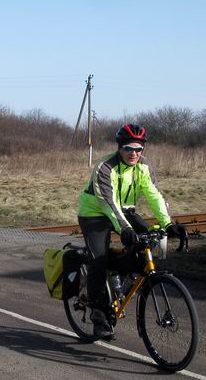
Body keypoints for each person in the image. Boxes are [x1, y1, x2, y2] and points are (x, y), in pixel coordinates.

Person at [77, 124, 185, 339]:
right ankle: (98, 315)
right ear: (119, 147)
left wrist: (168, 224)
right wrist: (125, 228)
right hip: (95, 214)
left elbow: (154, 194)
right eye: (128, 148)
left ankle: (117, 273)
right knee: (98, 259)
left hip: (125, 211)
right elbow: (108, 202)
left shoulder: (143, 166)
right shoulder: (105, 167)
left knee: (145, 243)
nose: (134, 153)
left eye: (139, 149)